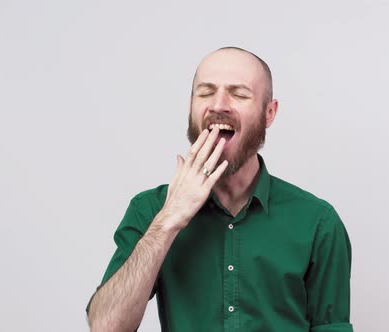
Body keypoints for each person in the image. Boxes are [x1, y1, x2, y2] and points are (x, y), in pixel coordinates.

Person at [86, 47, 354, 332]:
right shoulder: (151, 210)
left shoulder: (317, 222)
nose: (219, 105)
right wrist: (167, 222)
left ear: (269, 113)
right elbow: (106, 327)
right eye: (205, 93)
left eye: (239, 94)